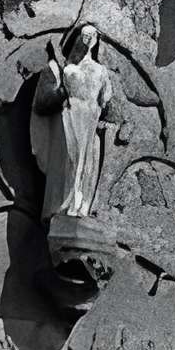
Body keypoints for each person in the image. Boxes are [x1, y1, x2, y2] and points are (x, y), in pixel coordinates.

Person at [30, 22, 115, 223]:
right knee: (69, 160)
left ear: (96, 42)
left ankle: (81, 208)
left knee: (87, 166)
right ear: (74, 39)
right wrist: (63, 93)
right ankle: (61, 208)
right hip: (68, 121)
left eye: (90, 36)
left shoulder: (100, 71)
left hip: (90, 124)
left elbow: (107, 102)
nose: (86, 40)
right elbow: (42, 104)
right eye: (82, 36)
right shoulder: (62, 69)